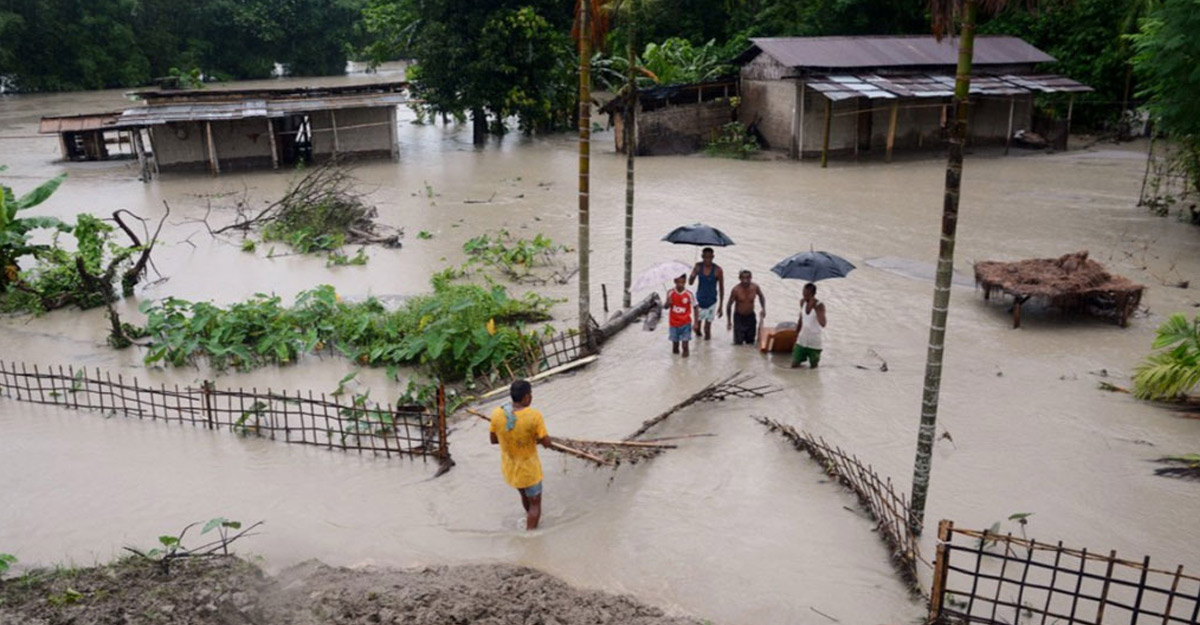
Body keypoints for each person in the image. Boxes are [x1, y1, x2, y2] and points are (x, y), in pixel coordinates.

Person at [490, 379, 553, 530]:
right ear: (526, 397)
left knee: (524, 495)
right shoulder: (534, 416)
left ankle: (529, 519)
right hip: (529, 469)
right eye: (530, 394)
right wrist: (541, 440)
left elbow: (493, 440)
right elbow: (546, 443)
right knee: (535, 502)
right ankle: (530, 537)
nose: (531, 397)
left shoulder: (498, 413)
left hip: (511, 468)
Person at [688, 247, 724, 341]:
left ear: (713, 257)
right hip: (699, 301)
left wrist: (721, 306)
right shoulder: (698, 266)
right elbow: (690, 283)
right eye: (705, 257)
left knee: (707, 329)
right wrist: (692, 276)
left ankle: (707, 350)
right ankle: (699, 347)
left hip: (711, 302)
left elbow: (721, 289)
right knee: (697, 328)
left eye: (709, 257)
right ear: (702, 257)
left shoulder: (718, 270)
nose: (707, 260)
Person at [725, 270, 765, 346]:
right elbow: (729, 305)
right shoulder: (736, 290)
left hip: (751, 317)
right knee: (738, 343)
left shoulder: (755, 287)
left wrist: (763, 308)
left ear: (751, 278)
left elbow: (761, 296)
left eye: (748, 278)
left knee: (750, 342)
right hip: (739, 318)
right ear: (740, 279)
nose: (746, 280)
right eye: (743, 278)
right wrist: (729, 321)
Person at [791, 283, 827, 368]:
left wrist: (815, 308)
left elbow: (823, 323)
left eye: (807, 295)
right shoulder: (802, 302)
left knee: (813, 368)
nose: (804, 297)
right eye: (804, 294)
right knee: (794, 365)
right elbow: (801, 318)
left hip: (814, 343)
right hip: (802, 340)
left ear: (813, 294)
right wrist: (796, 333)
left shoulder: (819, 306)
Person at [664, 274, 697, 357]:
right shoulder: (670, 293)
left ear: (685, 282)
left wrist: (696, 323)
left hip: (686, 323)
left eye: (682, 282)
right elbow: (665, 307)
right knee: (675, 347)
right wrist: (668, 302)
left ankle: (686, 366)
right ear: (674, 281)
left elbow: (695, 307)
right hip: (673, 323)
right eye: (678, 282)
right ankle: (676, 366)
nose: (680, 285)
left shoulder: (689, 294)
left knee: (685, 346)